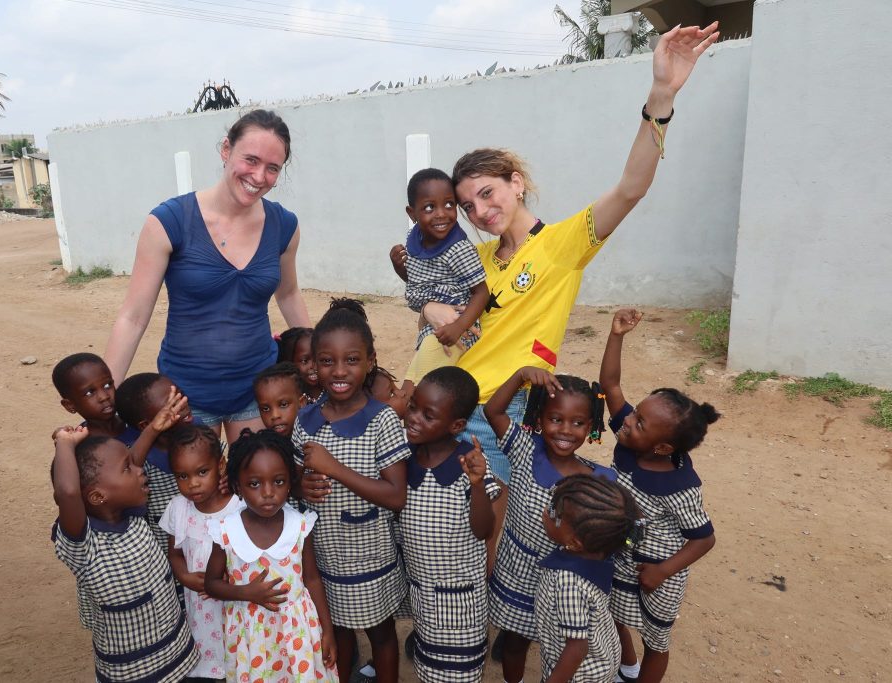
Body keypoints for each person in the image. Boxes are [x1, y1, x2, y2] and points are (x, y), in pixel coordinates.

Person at [417, 22, 720, 490]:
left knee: (496, 517)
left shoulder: (562, 245)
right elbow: (424, 295)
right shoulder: (473, 256)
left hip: (504, 409)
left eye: (487, 192)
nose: (480, 210)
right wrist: (427, 307)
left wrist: (661, 96)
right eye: (468, 206)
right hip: (445, 404)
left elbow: (631, 188)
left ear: (516, 182)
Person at [105, 109, 311, 444]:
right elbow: (133, 317)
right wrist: (104, 403)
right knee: (198, 479)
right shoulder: (169, 221)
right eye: (251, 160)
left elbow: (288, 294)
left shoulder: (284, 226)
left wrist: (318, 363)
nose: (259, 176)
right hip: (185, 398)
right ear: (226, 150)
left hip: (258, 391)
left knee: (260, 477)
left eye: (273, 168)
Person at [290, 299, 411, 683]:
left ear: (370, 361)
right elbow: (295, 479)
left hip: (370, 557)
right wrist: (301, 483)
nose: (339, 371)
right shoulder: (305, 419)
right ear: (314, 363)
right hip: (324, 558)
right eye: (327, 361)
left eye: (352, 360)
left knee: (381, 634)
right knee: (338, 634)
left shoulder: (382, 420)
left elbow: (396, 495)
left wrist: (334, 469)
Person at [599, 309, 718, 683]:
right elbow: (610, 385)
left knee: (656, 641)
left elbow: (704, 539)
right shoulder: (631, 443)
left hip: (658, 573)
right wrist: (617, 335)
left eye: (639, 423)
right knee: (614, 615)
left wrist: (663, 570)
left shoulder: (679, 485)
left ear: (663, 447)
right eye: (634, 414)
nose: (626, 421)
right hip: (621, 555)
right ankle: (626, 667)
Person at [484, 367, 614, 683]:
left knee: (562, 647)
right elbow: (493, 411)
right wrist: (520, 375)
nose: (565, 430)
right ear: (539, 418)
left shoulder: (600, 480)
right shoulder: (525, 449)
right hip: (518, 575)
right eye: (556, 419)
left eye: (578, 423)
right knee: (514, 643)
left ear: (591, 426)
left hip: (564, 588)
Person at [50, 417, 199, 682]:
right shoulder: (86, 546)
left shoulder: (131, 514)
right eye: (128, 468)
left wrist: (153, 429)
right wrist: (64, 442)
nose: (140, 470)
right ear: (98, 496)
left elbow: (131, 464)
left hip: (176, 651)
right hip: (133, 672)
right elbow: (68, 492)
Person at [204, 429, 338, 682]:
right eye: (255, 484)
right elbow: (211, 584)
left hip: (297, 634)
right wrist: (246, 592)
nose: (268, 492)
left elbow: (312, 580)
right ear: (237, 486)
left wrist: (328, 631)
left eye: (279, 481)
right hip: (250, 638)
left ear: (290, 483)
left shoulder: (300, 526)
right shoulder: (226, 532)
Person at [398, 366, 500, 682]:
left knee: (460, 672)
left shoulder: (468, 463)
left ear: (456, 425)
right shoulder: (405, 455)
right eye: (413, 407)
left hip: (461, 603)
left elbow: (484, 530)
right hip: (422, 593)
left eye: (428, 415)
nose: (414, 418)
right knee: (428, 665)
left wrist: (478, 485)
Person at [536, 474, 642, 683]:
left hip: (581, 676)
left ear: (575, 543)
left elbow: (577, 648)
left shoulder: (567, 583)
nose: (546, 512)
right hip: (602, 657)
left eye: (554, 514)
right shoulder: (601, 554)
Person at [158, 423, 243, 681]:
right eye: (182, 476)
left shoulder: (239, 508)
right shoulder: (178, 508)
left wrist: (228, 578)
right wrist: (184, 576)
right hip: (200, 612)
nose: (193, 484)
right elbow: (175, 553)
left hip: (236, 605)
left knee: (239, 662)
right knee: (207, 666)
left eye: (202, 472)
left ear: (221, 465)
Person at [388, 168, 488, 384]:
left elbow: (481, 293)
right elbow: (418, 282)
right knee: (411, 381)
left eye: (449, 204)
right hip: (432, 324)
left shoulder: (458, 249)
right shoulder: (413, 238)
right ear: (412, 213)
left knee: (421, 385)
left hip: (455, 327)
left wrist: (458, 327)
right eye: (429, 207)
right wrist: (399, 267)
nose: (441, 213)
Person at [115, 372, 193, 554]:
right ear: (145, 425)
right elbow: (129, 469)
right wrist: (153, 430)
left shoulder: (199, 436)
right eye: (171, 403)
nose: (182, 403)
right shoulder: (139, 456)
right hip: (166, 552)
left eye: (180, 394)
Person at [51, 352, 127, 439]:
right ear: (69, 405)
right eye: (90, 393)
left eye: (107, 385)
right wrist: (64, 443)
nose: (104, 397)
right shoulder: (77, 442)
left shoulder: (135, 420)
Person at [253, 361, 306, 439]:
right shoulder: (264, 445)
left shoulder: (316, 438)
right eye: (265, 409)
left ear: (301, 402)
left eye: (283, 405)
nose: (275, 415)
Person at [277, 327, 323, 404]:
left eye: (318, 358)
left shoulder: (333, 389)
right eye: (305, 361)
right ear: (288, 363)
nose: (314, 366)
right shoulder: (288, 399)